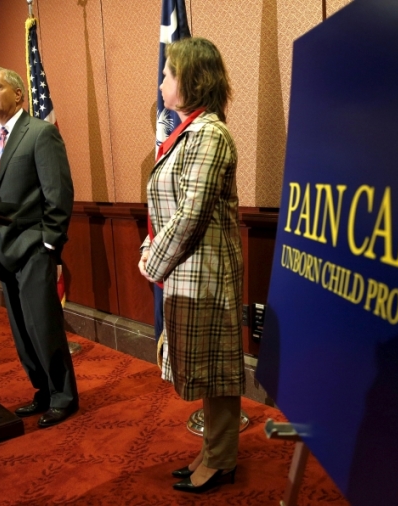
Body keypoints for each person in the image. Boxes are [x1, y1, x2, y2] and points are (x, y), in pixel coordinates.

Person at [138, 37, 244, 493]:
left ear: (193, 80)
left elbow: (191, 213)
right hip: (187, 270)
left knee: (217, 370)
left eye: (167, 74)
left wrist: (152, 262)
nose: (161, 82)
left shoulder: (210, 135)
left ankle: (221, 460)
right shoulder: (186, 134)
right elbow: (169, 211)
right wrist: (155, 255)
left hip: (207, 274)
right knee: (204, 366)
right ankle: (213, 452)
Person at [0, 66, 78, 428]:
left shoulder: (40, 133)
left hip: (33, 245)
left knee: (43, 325)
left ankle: (64, 396)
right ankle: (42, 391)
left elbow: (58, 193)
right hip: (4, 248)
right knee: (20, 329)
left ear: (18, 94)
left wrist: (49, 244)